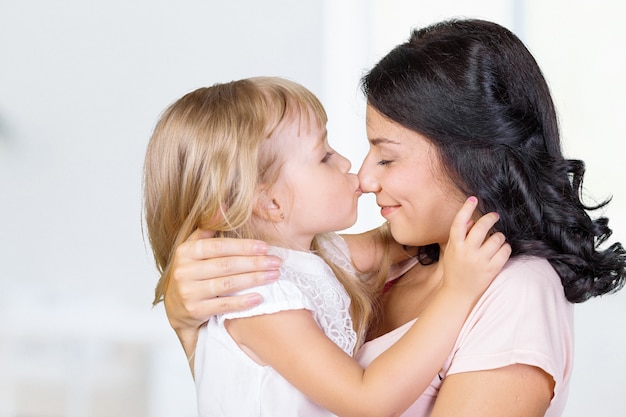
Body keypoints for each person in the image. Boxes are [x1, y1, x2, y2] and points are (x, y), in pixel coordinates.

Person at [161, 19, 626, 417]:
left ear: (471, 159)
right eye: (326, 156)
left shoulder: (515, 291)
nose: (361, 177)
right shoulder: (387, 260)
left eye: (386, 158)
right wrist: (188, 324)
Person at [143, 76, 510, 416]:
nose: (347, 162)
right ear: (270, 203)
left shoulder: (310, 256)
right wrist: (459, 293)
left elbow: (388, 245)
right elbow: (368, 399)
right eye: (324, 156)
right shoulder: (259, 298)